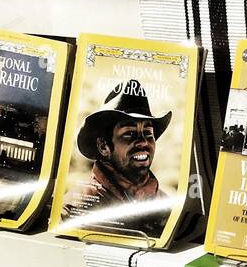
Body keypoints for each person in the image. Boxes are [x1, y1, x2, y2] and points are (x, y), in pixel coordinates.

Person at [61, 80, 174, 240]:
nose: (143, 142)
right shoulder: (76, 209)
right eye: (129, 133)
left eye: (148, 133)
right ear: (103, 147)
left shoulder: (164, 203)